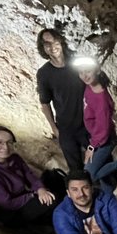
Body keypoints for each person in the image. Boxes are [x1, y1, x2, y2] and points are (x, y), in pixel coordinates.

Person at [0, 125, 59, 225]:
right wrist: (32, 195)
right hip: (10, 212)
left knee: (54, 179)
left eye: (9, 142)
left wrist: (40, 189)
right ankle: (44, 225)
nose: (5, 147)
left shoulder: (14, 158)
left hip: (22, 195)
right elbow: (7, 203)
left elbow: (29, 175)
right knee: (53, 200)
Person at [76, 58, 117, 186]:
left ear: (97, 70)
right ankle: (109, 198)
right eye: (81, 72)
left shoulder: (101, 100)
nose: (84, 76)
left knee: (90, 174)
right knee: (102, 180)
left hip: (104, 140)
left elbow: (103, 130)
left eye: (88, 71)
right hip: (94, 136)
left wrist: (91, 147)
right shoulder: (89, 88)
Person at [36, 28, 89, 171]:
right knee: (75, 167)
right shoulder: (44, 73)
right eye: (47, 44)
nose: (52, 46)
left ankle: (111, 191)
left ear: (60, 41)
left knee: (100, 159)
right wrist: (54, 128)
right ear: (43, 48)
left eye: (54, 41)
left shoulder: (76, 62)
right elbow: (45, 102)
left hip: (87, 123)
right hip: (66, 128)